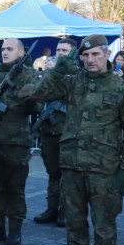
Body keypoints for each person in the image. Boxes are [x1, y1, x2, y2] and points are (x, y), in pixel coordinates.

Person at [29, 35, 124, 245]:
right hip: (72, 164)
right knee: (75, 222)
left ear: (106, 56)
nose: (90, 60)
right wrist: (57, 71)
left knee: (104, 225)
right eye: (85, 56)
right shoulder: (73, 84)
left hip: (105, 169)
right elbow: (38, 94)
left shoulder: (121, 89)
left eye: (95, 55)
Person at [0, 39, 39, 245]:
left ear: (21, 53)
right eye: (3, 49)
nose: (5, 52)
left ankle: (15, 228)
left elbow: (37, 108)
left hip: (16, 140)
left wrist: (30, 98)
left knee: (15, 187)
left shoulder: (29, 74)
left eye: (10, 49)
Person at [33, 38, 77, 226]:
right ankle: (51, 208)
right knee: (52, 173)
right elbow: (40, 92)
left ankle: (65, 211)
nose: (60, 53)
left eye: (65, 50)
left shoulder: (77, 75)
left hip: (68, 131)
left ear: (73, 54)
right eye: (58, 50)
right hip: (50, 130)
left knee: (68, 174)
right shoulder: (52, 74)